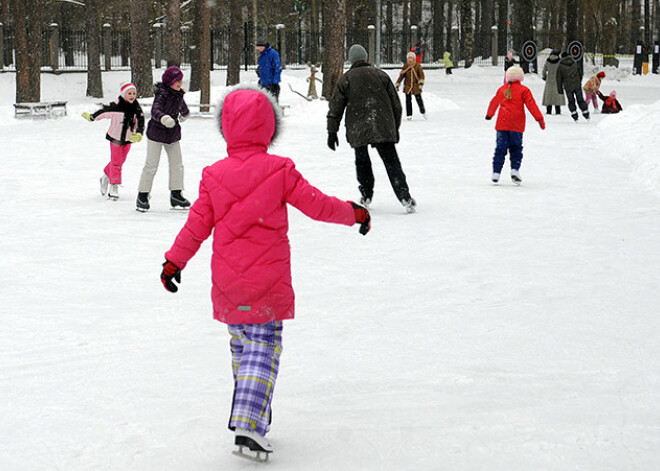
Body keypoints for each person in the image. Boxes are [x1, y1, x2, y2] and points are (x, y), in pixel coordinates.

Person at [160, 86, 370, 461]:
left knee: (244, 351)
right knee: (264, 350)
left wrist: (174, 261)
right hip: (266, 284)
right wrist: (353, 212)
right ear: (269, 128)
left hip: (228, 285)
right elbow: (317, 205)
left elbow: (195, 226)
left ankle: (256, 418)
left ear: (227, 128)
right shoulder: (279, 169)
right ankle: (248, 426)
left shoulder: (214, 174)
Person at [327, 44, 417, 213]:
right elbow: (396, 105)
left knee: (362, 161)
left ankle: (366, 195)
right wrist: (393, 128)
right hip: (382, 124)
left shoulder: (346, 79)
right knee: (391, 162)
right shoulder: (381, 75)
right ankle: (404, 196)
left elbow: (335, 108)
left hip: (357, 127)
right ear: (366, 58)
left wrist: (332, 132)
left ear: (351, 59)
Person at [136, 66, 191, 212]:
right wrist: (164, 118)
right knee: (151, 165)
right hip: (156, 133)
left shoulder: (178, 94)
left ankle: (176, 194)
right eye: (176, 81)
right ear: (169, 82)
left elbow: (182, 108)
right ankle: (142, 195)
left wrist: (185, 114)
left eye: (180, 80)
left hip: (172, 134)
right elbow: (155, 110)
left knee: (177, 164)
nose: (180, 83)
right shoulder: (162, 94)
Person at [83, 82, 144, 201]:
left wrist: (138, 133)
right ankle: (114, 186)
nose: (132, 96)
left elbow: (140, 120)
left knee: (120, 161)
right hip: (115, 138)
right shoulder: (116, 106)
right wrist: (92, 117)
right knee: (116, 162)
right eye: (129, 93)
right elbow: (103, 112)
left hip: (128, 139)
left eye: (134, 93)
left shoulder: (136, 107)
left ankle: (106, 176)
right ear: (123, 94)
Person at [485, 65, 545, 185]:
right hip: (516, 125)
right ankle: (514, 170)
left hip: (502, 124)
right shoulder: (524, 90)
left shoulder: (502, 89)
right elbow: (531, 105)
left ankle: (496, 172)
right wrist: (539, 119)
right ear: (521, 77)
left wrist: (489, 115)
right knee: (516, 148)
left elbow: (494, 102)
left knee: (500, 148)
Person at [556, 51, 590, 122]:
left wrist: (560, 89)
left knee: (571, 101)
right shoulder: (575, 63)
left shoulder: (560, 66)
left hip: (568, 86)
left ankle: (574, 115)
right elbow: (580, 73)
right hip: (577, 85)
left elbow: (558, 78)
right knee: (580, 99)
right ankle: (586, 113)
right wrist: (578, 81)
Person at [395, 51, 426, 120]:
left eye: (411, 58)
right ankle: (409, 114)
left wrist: (420, 83)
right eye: (409, 58)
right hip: (408, 86)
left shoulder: (417, 66)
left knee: (419, 99)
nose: (410, 60)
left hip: (416, 86)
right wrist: (398, 84)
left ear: (414, 59)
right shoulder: (406, 66)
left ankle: (423, 111)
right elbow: (401, 76)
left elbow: (421, 75)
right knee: (408, 100)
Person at [256, 38, 282, 102]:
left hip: (272, 83)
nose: (259, 49)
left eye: (260, 47)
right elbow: (262, 67)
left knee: (272, 101)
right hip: (263, 82)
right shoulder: (262, 56)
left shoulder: (273, 54)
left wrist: (275, 81)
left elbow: (277, 67)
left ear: (264, 46)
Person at [541, 49, 566, 115]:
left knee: (549, 95)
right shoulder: (560, 61)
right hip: (557, 80)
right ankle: (558, 110)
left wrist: (544, 77)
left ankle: (548, 110)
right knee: (557, 96)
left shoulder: (547, 61)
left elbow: (544, 71)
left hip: (549, 80)